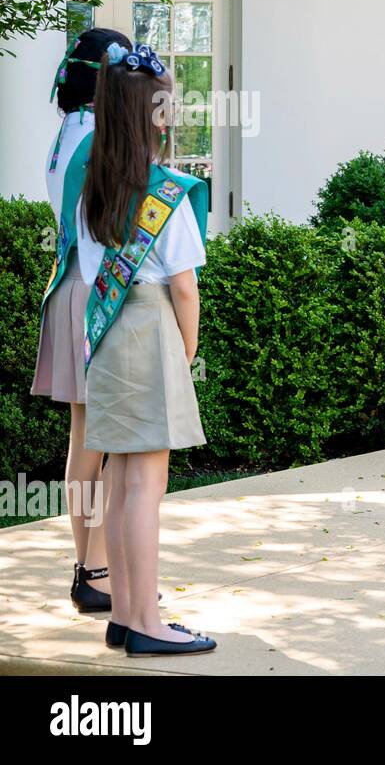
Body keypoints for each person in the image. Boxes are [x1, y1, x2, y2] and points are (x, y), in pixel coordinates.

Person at [77, 43, 216, 656]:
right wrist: (186, 351)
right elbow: (184, 288)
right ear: (153, 114)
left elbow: (88, 271)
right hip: (151, 328)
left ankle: (127, 614)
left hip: (106, 334)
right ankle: (145, 621)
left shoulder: (92, 187)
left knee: (119, 477)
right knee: (146, 486)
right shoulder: (166, 191)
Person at [32, 28, 132, 613]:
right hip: (97, 290)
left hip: (67, 284)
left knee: (84, 439)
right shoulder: (99, 137)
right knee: (108, 440)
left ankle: (88, 565)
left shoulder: (66, 133)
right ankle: (96, 571)